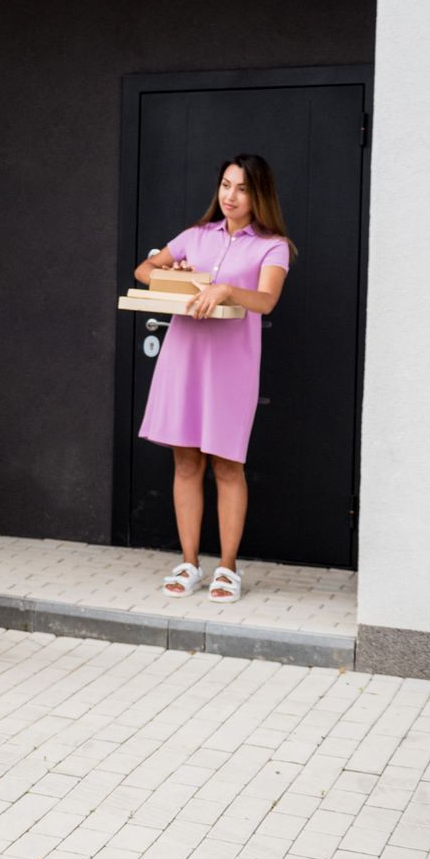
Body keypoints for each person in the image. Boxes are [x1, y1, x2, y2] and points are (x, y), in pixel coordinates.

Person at [137, 153, 295, 604]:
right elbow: (143, 270)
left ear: (258, 193)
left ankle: (227, 567)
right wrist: (171, 271)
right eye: (226, 185)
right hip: (182, 359)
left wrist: (227, 289)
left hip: (231, 367)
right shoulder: (196, 236)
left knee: (227, 464)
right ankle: (189, 563)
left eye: (242, 188)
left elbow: (266, 301)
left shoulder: (272, 245)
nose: (231, 196)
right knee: (185, 462)